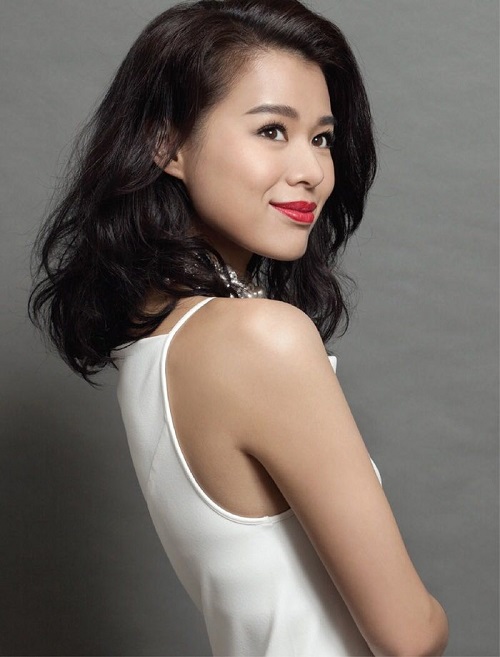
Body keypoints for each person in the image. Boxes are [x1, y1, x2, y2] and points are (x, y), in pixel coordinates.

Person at [29, 0, 449, 654]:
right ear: (167, 145)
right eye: (272, 130)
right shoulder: (261, 338)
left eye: (322, 138)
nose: (311, 170)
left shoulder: (158, 345)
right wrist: (437, 617)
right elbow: (410, 636)